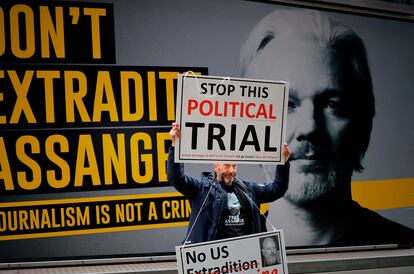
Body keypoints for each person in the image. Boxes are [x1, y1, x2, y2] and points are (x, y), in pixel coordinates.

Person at [240, 9, 413, 247]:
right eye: (285, 105)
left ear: (364, 125)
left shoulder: (404, 248)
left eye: (332, 104)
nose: (310, 127)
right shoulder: (227, 265)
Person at [167, 123, 291, 244]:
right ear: (216, 165)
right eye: (226, 165)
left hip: (245, 259)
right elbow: (176, 178)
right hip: (213, 260)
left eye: (234, 166)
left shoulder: (249, 189)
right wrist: (174, 146)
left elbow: (277, 189)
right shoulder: (201, 188)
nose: (231, 170)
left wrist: (283, 163)